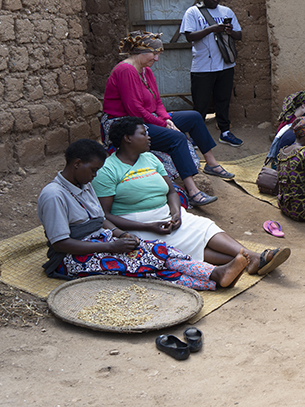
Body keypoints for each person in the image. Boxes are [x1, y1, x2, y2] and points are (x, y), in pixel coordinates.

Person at [37, 139, 247, 290]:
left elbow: (100, 220)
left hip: (101, 241)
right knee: (145, 265)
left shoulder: (83, 183)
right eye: (93, 170)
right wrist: (110, 246)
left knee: (160, 250)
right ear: (76, 164)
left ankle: (215, 274)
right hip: (70, 258)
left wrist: (120, 235)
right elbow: (61, 244)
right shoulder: (54, 195)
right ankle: (214, 277)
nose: (95, 175)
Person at [93, 116, 290, 276]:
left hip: (166, 215)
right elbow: (105, 215)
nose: (149, 137)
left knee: (203, 227)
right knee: (180, 245)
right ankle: (250, 260)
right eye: (144, 133)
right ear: (127, 138)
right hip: (135, 223)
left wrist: (177, 212)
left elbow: (170, 191)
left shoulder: (150, 158)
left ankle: (250, 257)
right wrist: (147, 226)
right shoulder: (108, 170)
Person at [102, 31, 236, 207]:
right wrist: (164, 124)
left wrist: (166, 118)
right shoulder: (125, 70)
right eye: (154, 54)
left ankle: (211, 163)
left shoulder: (146, 71)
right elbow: (134, 109)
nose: (157, 59)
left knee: (194, 117)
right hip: (124, 122)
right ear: (141, 52)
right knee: (177, 137)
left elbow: (157, 101)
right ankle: (193, 191)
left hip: (148, 117)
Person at [180, 0, 243, 147]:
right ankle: (196, 136)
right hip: (202, 66)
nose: (215, 0)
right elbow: (189, 37)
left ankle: (225, 132)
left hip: (225, 64)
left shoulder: (226, 11)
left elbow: (239, 35)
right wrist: (211, 29)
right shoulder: (193, 12)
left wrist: (229, 31)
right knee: (200, 103)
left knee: (223, 100)